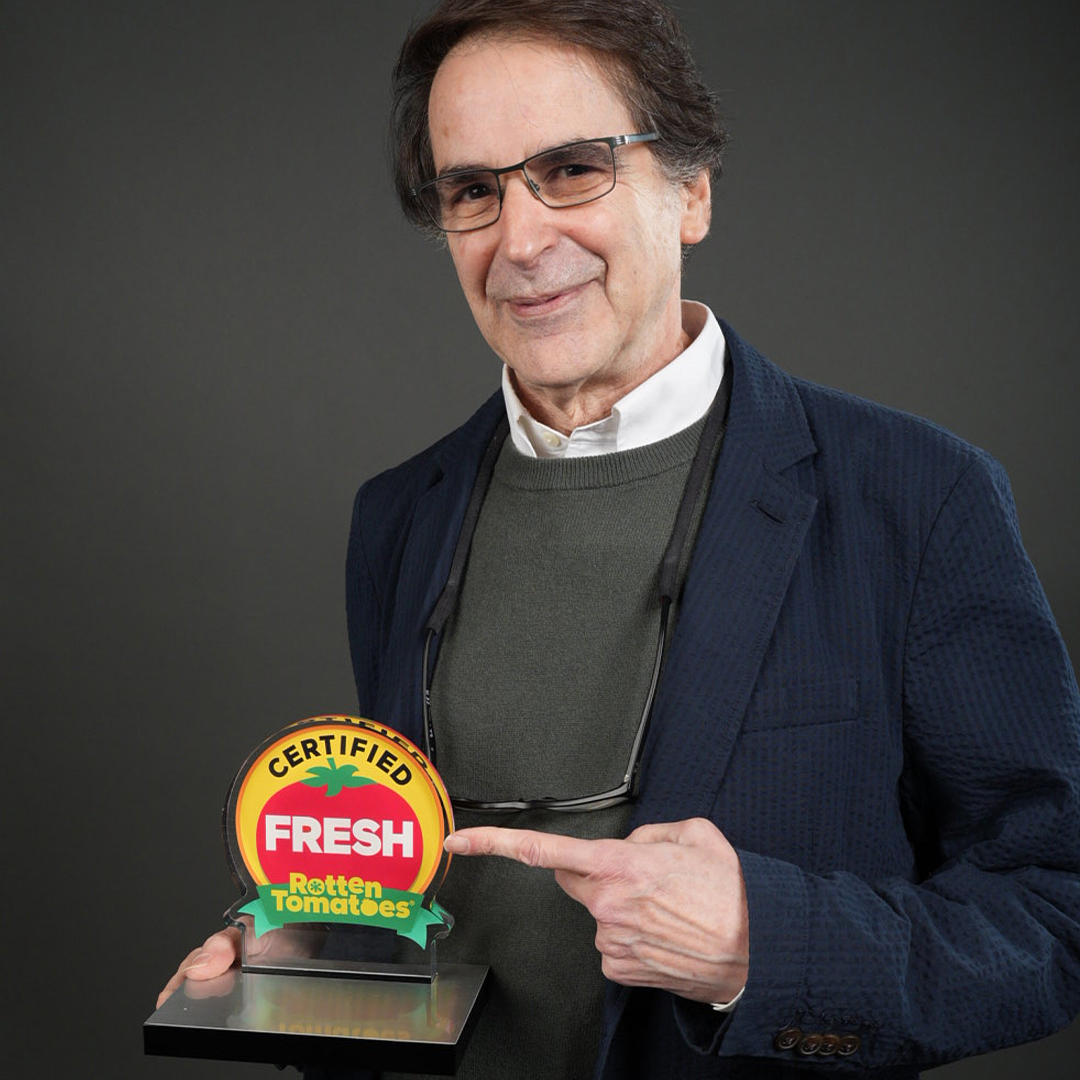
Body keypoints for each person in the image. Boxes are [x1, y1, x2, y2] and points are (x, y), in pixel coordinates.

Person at [160, 1, 1080, 1077]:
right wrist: (313, 955)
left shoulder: (917, 497)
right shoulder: (399, 515)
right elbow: (423, 886)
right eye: (473, 191)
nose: (520, 240)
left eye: (572, 169)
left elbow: (1055, 909)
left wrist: (761, 946)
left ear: (691, 193)